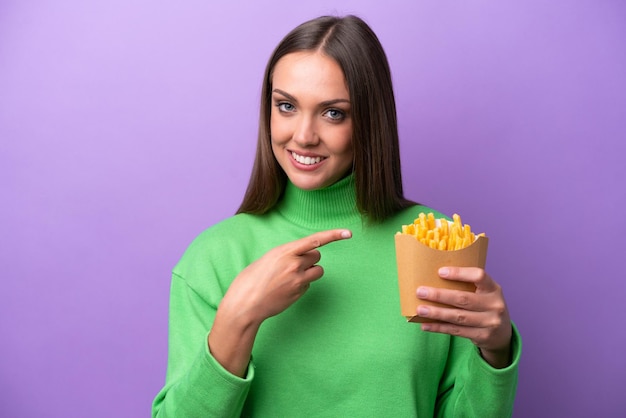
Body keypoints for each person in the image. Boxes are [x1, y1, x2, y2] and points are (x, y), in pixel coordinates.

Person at [152, 14, 521, 417]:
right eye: (287, 106)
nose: (304, 135)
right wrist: (237, 319)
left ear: (369, 120)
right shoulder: (214, 257)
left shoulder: (432, 241)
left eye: (333, 113)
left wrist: (496, 352)